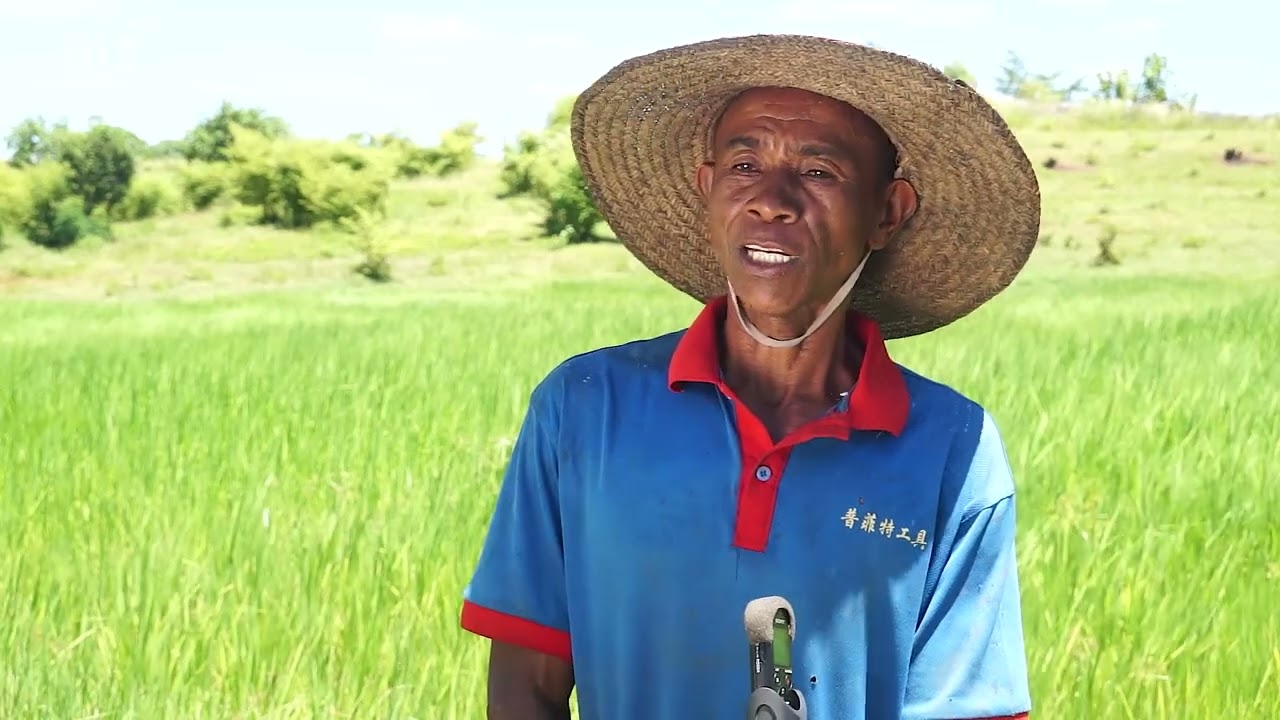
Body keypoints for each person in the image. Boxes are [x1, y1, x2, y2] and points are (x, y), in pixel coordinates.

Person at [459, 34, 1041, 720]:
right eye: (744, 164)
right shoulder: (586, 409)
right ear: (708, 191)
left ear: (887, 212)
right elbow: (526, 687)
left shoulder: (952, 449)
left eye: (819, 173)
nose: (772, 201)